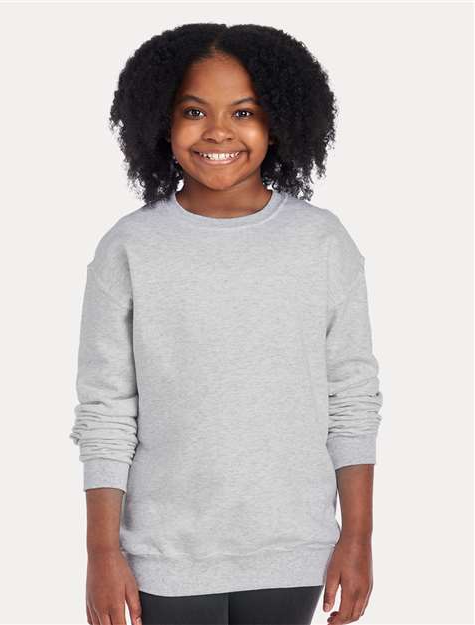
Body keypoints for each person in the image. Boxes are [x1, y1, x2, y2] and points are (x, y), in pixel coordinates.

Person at [69, 23, 384, 625]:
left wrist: (358, 536)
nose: (218, 131)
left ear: (280, 122)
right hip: (162, 554)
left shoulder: (321, 241)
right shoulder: (130, 247)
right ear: (160, 121)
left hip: (293, 550)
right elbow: (106, 410)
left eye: (244, 112)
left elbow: (352, 397)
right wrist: (101, 552)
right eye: (194, 111)